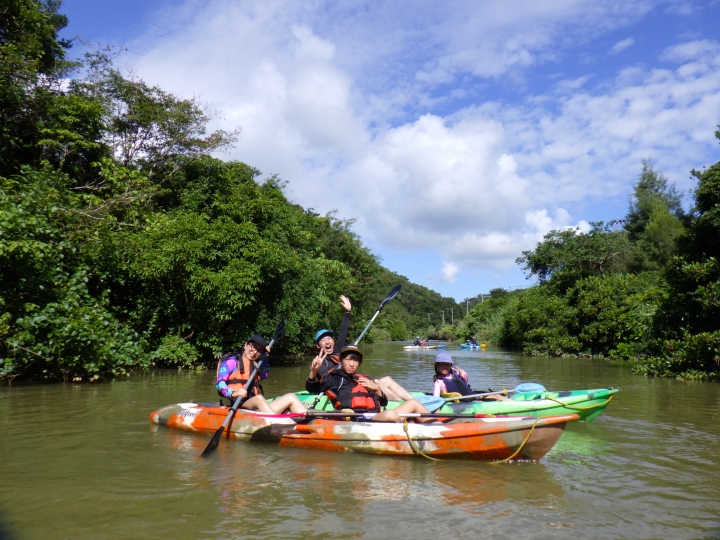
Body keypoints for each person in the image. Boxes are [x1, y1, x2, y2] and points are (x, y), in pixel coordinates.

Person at [306, 296, 414, 401]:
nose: (327, 341)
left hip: (351, 383)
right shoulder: (320, 363)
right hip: (341, 390)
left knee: (387, 380)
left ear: (333, 341)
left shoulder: (338, 351)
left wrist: (348, 313)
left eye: (329, 338)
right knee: (377, 382)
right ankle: (400, 404)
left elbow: (343, 333)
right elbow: (330, 381)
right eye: (323, 340)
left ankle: (413, 400)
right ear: (318, 346)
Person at [318, 345, 432, 422]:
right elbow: (313, 387)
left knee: (413, 403)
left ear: (360, 363)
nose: (352, 364)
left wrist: (376, 389)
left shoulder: (364, 378)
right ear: (341, 360)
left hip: (375, 416)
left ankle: (440, 428)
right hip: (360, 420)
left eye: (355, 360)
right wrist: (313, 372)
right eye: (348, 359)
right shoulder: (335, 379)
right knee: (390, 414)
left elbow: (383, 402)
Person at [216, 334, 307, 414]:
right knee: (259, 398)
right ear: (245, 345)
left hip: (254, 407)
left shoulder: (255, 366)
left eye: (259, 350)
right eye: (253, 346)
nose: (254, 351)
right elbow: (219, 384)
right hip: (237, 406)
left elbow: (264, 375)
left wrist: (265, 358)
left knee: (291, 397)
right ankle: (276, 424)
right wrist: (234, 393)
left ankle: (309, 423)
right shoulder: (232, 361)